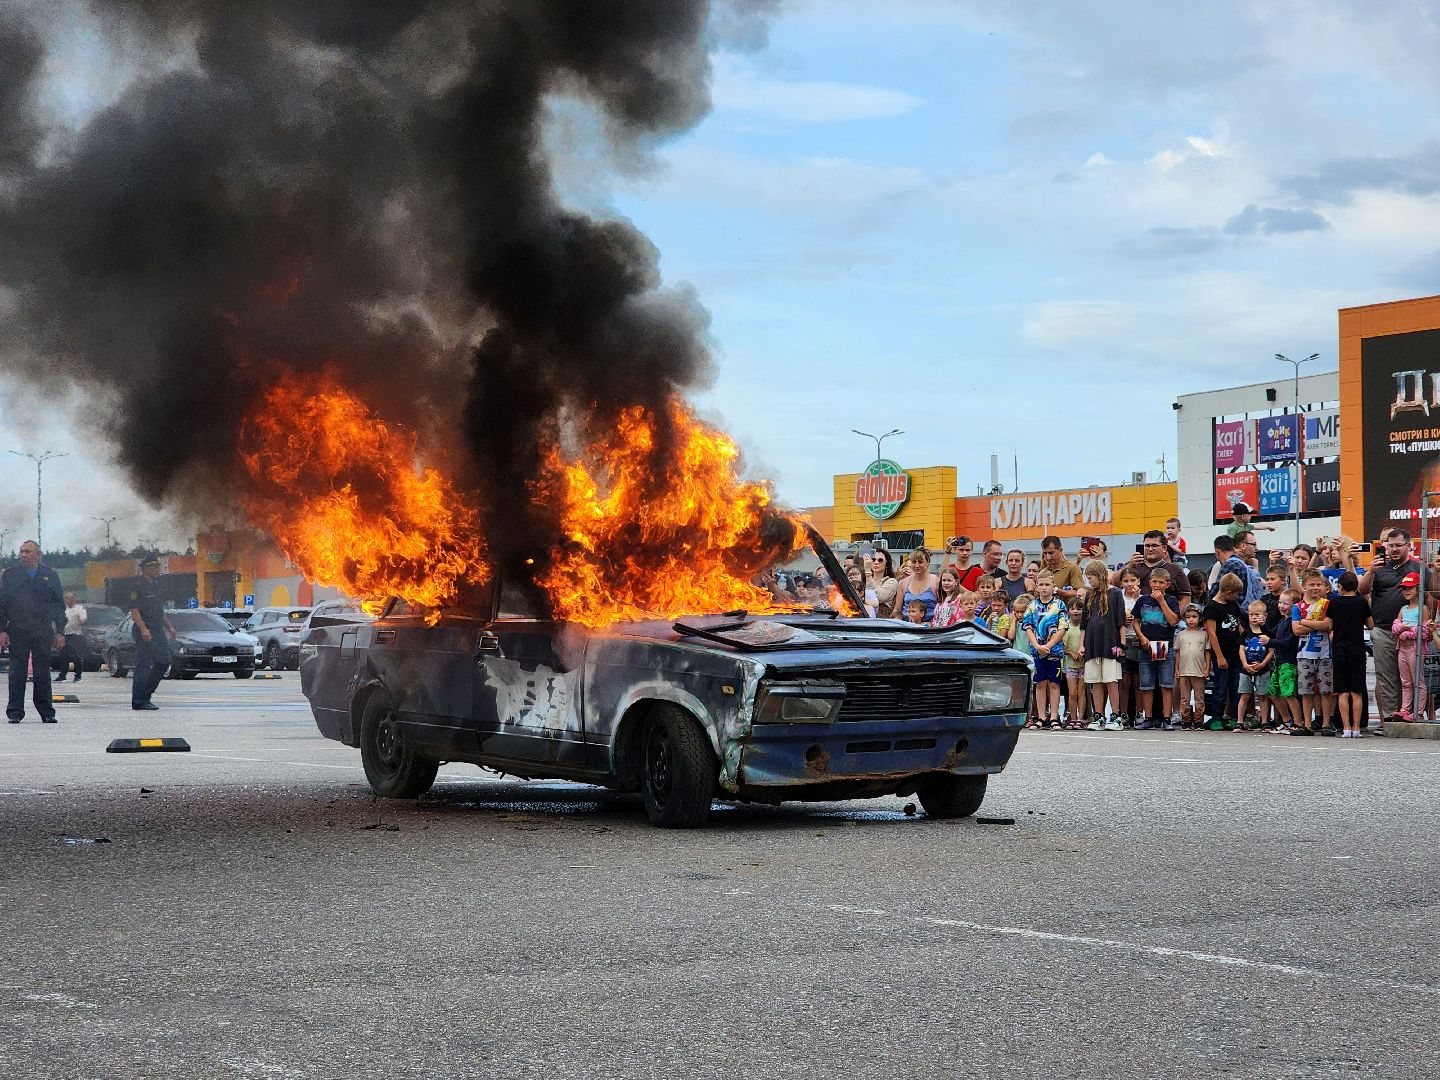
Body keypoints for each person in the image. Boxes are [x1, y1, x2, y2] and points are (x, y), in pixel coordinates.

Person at [1358, 528, 1422, 724]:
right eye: (1390, 545)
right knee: (1386, 677)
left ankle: (1411, 715)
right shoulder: (1379, 568)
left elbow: (1432, 593)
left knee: (1411, 677)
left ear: (1408, 546)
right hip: (1383, 629)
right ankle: (1391, 718)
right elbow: (1362, 591)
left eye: (1398, 546)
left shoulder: (1418, 568)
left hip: (1410, 632)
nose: (1394, 549)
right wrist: (1371, 571)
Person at [0, 540, 66, 724]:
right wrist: (2, 630)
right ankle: (15, 712)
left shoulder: (49, 574)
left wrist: (59, 631)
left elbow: (58, 605)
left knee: (42, 672)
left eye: (28, 551)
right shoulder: (10, 574)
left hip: (42, 629)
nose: (23, 555)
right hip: (18, 629)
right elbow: (2, 604)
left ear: (38, 554)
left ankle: (46, 712)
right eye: (21, 551)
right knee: (17, 672)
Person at [1132, 567, 1180, 729]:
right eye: (1155, 582)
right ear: (1149, 582)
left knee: (1166, 683)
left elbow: (1173, 621)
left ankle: (1166, 718)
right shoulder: (1142, 600)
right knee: (1146, 684)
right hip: (1146, 645)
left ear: (1167, 584)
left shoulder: (1172, 600)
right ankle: (1149, 718)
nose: (1157, 585)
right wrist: (1141, 636)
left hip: (1163, 645)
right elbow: (1135, 621)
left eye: (1161, 582)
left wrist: (1161, 601)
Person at [1080, 560, 1126, 731]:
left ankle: (1116, 716)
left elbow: (1121, 622)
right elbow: (1084, 624)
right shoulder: (1089, 594)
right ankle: (1099, 716)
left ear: (1099, 576)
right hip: (1092, 645)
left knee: (1111, 680)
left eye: (1091, 578)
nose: (1089, 581)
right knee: (1096, 681)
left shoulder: (1115, 594)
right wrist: (1081, 645)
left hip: (1110, 643)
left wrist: (1121, 644)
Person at [1327, 571, 1372, 738]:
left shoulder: (1334, 603)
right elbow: (1371, 624)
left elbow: (1330, 626)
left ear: (1340, 586)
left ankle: (1345, 728)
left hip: (1339, 650)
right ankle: (1356, 728)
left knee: (1343, 692)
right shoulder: (1361, 602)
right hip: (1357, 650)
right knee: (1357, 691)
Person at [128, 554, 176, 711]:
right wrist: (143, 629)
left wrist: (169, 627)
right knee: (143, 665)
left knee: (164, 661)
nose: (157, 569)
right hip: (145, 629)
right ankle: (139, 701)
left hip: (157, 628)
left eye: (158, 566)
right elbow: (134, 611)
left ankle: (146, 695)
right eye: (154, 566)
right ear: (146, 568)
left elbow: (159, 610)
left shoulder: (155, 584)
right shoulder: (137, 586)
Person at [1022, 571, 1069, 729]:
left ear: (1053, 586)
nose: (1044, 588)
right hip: (1037, 651)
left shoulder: (1059, 605)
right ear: (1036, 586)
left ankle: (1054, 716)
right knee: (1040, 683)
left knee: (1054, 683)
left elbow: (1063, 627)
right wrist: (1037, 646)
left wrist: (1049, 646)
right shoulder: (1032, 606)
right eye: (1041, 584)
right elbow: (1028, 627)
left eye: (1047, 584)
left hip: (1054, 651)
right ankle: (1041, 717)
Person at [1293, 569, 1334, 736]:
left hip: (1324, 653)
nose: (1315, 588)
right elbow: (1296, 630)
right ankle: (1307, 724)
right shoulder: (1298, 607)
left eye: (1319, 584)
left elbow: (1328, 625)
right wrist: (1314, 622)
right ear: (1304, 586)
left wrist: (1305, 622)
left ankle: (1325, 723)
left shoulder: (1327, 605)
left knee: (1325, 690)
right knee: (1306, 691)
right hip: (1304, 654)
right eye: (1311, 584)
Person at [1204, 572, 1247, 730]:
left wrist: (1246, 638)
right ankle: (1216, 717)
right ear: (1228, 592)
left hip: (1236, 651)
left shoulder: (1233, 605)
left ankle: (1234, 717)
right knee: (1220, 687)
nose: (1237, 597)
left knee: (1235, 686)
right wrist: (1220, 657)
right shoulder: (1212, 607)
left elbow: (1238, 625)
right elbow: (1212, 633)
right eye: (1236, 594)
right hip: (1222, 653)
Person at [1111, 529, 1191, 607]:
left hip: (1165, 617)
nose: (1150, 549)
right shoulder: (1134, 565)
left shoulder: (1175, 570)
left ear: (1164, 548)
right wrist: (1130, 564)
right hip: (1135, 617)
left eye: (1154, 546)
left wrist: (1176, 616)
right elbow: (1115, 583)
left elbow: (1185, 597)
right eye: (1147, 546)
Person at [1392, 571, 1431, 722]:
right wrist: (1401, 630)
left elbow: (1425, 631)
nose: (1407, 591)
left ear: (1418, 589)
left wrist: (1407, 632)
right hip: (1402, 649)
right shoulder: (1403, 609)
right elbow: (1395, 626)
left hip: (1415, 650)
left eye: (1410, 588)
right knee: (1406, 682)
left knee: (1418, 681)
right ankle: (1405, 709)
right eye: (1404, 588)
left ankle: (1419, 712)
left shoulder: (1423, 608)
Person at [1236, 601, 1275, 732]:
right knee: (1245, 695)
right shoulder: (1245, 634)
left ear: (1264, 615)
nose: (1253, 617)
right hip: (1246, 669)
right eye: (1251, 614)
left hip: (1262, 669)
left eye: (1257, 614)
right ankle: (1239, 721)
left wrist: (1263, 664)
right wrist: (1245, 664)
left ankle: (1264, 721)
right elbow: (1241, 650)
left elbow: (1271, 651)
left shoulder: (1267, 633)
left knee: (1262, 696)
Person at [1271, 588, 1304, 734]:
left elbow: (1285, 643)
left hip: (1289, 662)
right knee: (1273, 691)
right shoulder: (1282, 621)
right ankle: (1286, 720)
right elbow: (1272, 634)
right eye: (1280, 602)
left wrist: (1269, 642)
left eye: (1285, 603)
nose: (1281, 606)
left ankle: (1297, 722)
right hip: (1278, 661)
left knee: (1289, 693)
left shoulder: (1293, 623)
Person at [1173, 605, 1210, 729]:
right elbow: (1177, 652)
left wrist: (1207, 668)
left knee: (1199, 698)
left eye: (1194, 617)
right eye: (1188, 617)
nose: (1191, 620)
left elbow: (1207, 652)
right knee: (1185, 698)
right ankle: (1186, 720)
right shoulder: (1181, 634)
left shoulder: (1204, 634)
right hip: (1184, 671)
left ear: (1199, 618)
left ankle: (1199, 720)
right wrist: (1176, 669)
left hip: (1199, 671)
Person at [891, 547, 938, 621]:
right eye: (914, 562)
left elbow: (942, 607)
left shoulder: (935, 581)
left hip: (930, 626)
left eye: (920, 562)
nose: (917, 565)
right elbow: (897, 610)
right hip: (907, 625)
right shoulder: (903, 583)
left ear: (927, 563)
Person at [1063, 598, 1086, 726]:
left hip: (1083, 664)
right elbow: (1062, 647)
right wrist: (1071, 653)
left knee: (1081, 692)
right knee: (1072, 692)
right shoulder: (1066, 628)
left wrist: (1082, 653)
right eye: (1072, 608)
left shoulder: (1085, 628)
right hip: (1071, 664)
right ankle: (1073, 717)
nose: (1075, 611)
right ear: (1068, 611)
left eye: (1079, 608)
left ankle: (1081, 718)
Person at [1039, 536, 1083, 603]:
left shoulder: (1072, 568)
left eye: (1051, 553)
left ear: (1061, 550)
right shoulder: (1043, 571)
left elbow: (1080, 593)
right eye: (1045, 553)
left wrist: (1060, 592)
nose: (1048, 557)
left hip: (1065, 611)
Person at [57, 592, 87, 683]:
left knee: (76, 656)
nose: (69, 600)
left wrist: (78, 623)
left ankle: (78, 676)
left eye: (71, 598)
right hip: (64, 635)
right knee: (63, 656)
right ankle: (62, 676)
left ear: (74, 599)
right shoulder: (63, 609)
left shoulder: (79, 608)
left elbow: (83, 619)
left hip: (75, 635)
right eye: (67, 598)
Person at [867, 549, 899, 617]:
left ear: (886, 564)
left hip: (881, 620)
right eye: (873, 559)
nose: (876, 562)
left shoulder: (892, 581)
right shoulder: (865, 579)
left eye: (880, 560)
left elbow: (878, 596)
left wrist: (867, 572)